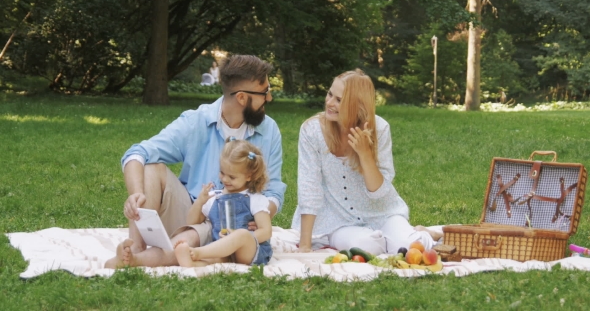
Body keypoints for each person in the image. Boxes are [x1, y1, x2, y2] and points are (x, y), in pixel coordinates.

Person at [105, 55, 286, 269]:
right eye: (265, 92)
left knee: (188, 241)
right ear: (241, 98)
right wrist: (136, 194)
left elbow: (273, 190)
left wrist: (262, 213)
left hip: (237, 227)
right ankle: (133, 250)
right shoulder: (196, 121)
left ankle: (134, 262)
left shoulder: (269, 129)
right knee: (152, 166)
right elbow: (137, 153)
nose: (270, 97)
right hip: (194, 212)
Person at [291, 69, 442, 255]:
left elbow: (379, 193)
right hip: (339, 220)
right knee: (366, 248)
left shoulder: (380, 129)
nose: (329, 103)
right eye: (330, 94)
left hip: (383, 212)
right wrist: (305, 244)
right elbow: (309, 188)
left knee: (410, 248)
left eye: (339, 100)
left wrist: (365, 155)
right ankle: (392, 237)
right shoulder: (311, 131)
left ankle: (422, 233)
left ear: (357, 105)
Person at [175, 139, 273, 267]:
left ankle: (198, 252)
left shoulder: (254, 198)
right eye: (222, 173)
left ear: (249, 176)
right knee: (214, 259)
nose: (225, 179)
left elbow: (266, 231)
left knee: (241, 235)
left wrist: (242, 237)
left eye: (232, 177)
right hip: (223, 252)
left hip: (249, 251)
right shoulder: (215, 197)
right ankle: (191, 262)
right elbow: (191, 222)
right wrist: (199, 202)